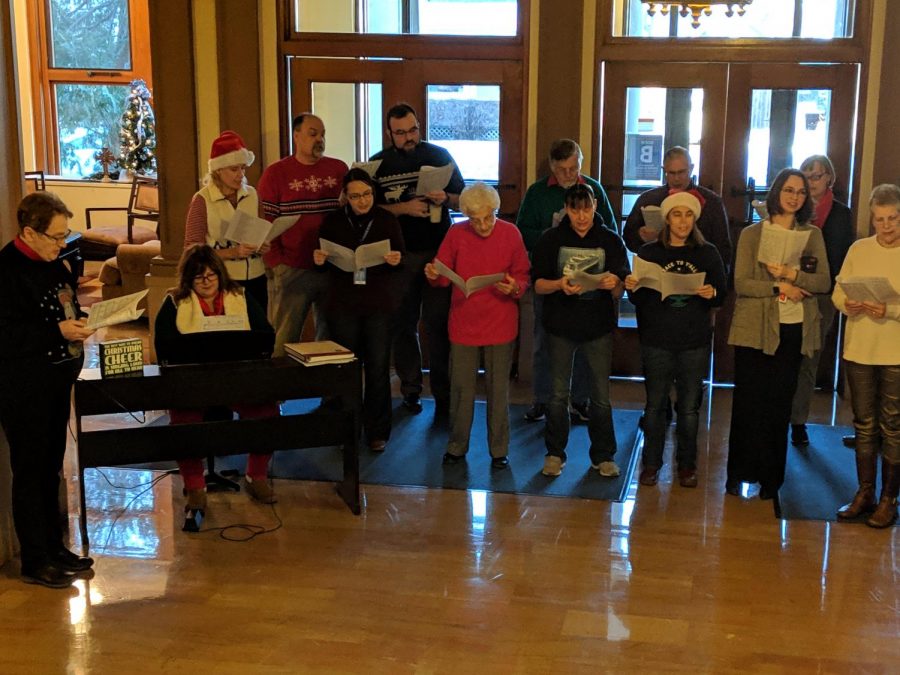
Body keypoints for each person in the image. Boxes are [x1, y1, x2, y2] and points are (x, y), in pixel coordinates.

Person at [0, 192, 95, 588]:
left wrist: (82, 319)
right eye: (56, 237)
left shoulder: (54, 264)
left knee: (52, 468)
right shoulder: (6, 270)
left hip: (56, 380)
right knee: (31, 470)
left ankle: (55, 547)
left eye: (65, 235)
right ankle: (35, 558)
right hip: (23, 386)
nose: (62, 245)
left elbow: (65, 306)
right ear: (29, 232)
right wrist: (55, 331)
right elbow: (6, 334)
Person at [726, 168, 830, 514]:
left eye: (801, 192)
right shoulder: (753, 234)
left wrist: (791, 274)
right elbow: (741, 283)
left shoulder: (811, 234)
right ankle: (739, 473)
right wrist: (777, 287)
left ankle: (772, 478)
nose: (794, 197)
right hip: (756, 328)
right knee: (748, 404)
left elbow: (823, 282)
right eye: (789, 190)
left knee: (778, 406)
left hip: (793, 328)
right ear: (776, 193)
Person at [154, 245, 279, 519]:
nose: (207, 281)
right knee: (184, 422)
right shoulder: (174, 302)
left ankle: (256, 476)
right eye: (199, 277)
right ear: (188, 279)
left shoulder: (240, 297)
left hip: (237, 379)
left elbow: (264, 335)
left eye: (212, 275)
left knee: (267, 412)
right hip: (192, 383)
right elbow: (163, 349)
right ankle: (195, 485)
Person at [625, 192, 727, 488]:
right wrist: (633, 286)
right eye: (676, 215)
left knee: (688, 408)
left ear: (694, 219)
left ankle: (686, 465)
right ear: (667, 219)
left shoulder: (707, 253)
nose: (682, 221)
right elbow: (637, 298)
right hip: (656, 339)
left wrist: (711, 294)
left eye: (687, 215)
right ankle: (651, 464)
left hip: (693, 341)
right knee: (655, 406)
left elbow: (721, 293)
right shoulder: (649, 252)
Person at [425, 183, 530, 468]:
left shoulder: (511, 233)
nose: (483, 225)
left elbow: (523, 274)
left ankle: (499, 450)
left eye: (488, 217)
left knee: (498, 390)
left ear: (496, 211)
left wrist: (515, 287)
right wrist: (434, 273)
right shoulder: (456, 233)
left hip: (501, 320)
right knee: (461, 388)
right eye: (475, 219)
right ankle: (457, 446)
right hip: (464, 320)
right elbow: (442, 273)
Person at [370, 102, 465, 416]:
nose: (409, 137)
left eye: (413, 129)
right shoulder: (377, 164)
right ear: (389, 133)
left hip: (439, 252)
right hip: (398, 256)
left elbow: (464, 200)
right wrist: (404, 209)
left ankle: (444, 394)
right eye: (401, 133)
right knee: (402, 324)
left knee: (438, 324)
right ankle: (410, 390)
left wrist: (446, 198)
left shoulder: (438, 155)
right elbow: (367, 208)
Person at [531, 184, 630, 478]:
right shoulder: (551, 239)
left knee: (600, 395)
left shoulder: (610, 241)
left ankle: (603, 455)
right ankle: (554, 453)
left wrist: (614, 285)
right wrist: (560, 285)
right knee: (558, 393)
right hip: (560, 324)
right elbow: (537, 284)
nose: (582, 216)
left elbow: (621, 288)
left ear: (595, 206)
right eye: (575, 210)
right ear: (566, 209)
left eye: (586, 209)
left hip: (598, 326)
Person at [516, 138, 617, 424]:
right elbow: (522, 233)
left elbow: (610, 230)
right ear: (551, 167)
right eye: (563, 170)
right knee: (543, 340)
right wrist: (553, 232)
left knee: (587, 342)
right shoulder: (537, 193)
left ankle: (581, 401)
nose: (569, 175)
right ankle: (543, 400)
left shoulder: (593, 189)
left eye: (574, 168)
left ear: (581, 164)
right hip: (550, 276)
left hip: (588, 276)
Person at [314, 168, 405, 452]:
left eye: (367, 194)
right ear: (346, 197)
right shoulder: (333, 221)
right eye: (355, 196)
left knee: (378, 368)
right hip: (344, 303)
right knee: (347, 368)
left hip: (378, 302)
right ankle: (347, 428)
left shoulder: (386, 219)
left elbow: (401, 258)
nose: (363, 201)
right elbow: (324, 262)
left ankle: (377, 431)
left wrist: (394, 259)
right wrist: (319, 259)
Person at [832, 184, 900, 528]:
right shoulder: (859, 249)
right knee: (864, 423)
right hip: (860, 347)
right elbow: (837, 292)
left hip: (895, 351)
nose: (886, 226)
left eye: (892, 219)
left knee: (893, 425)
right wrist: (849, 303)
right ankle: (865, 492)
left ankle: (889, 499)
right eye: (879, 219)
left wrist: (887, 309)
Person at [258, 113, 348, 356]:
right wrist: (277, 263)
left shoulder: (338, 169)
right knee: (283, 338)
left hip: (332, 267)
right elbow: (266, 223)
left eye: (322, 134)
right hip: (291, 268)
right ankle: (277, 393)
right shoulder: (276, 174)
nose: (319, 139)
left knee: (330, 338)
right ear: (296, 136)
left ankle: (328, 393)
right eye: (313, 133)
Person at [789, 155, 855, 447]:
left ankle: (798, 421)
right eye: (806, 175)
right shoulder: (792, 209)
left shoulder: (841, 214)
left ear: (830, 178)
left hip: (822, 296)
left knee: (808, 360)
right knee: (784, 357)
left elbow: (840, 257)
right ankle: (778, 414)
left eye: (816, 176)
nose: (811, 181)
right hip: (789, 291)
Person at [184, 130, 269, 312]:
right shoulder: (202, 199)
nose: (240, 174)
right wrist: (233, 252)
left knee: (256, 332)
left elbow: (261, 231)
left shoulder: (252, 194)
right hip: (221, 280)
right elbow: (192, 250)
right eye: (234, 169)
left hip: (256, 278)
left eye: (243, 168)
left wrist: (263, 245)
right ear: (218, 170)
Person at [623, 146, 732, 270]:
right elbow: (628, 238)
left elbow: (723, 248)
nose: (676, 178)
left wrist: (716, 284)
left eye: (681, 172)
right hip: (658, 269)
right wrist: (641, 236)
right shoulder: (648, 199)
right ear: (664, 171)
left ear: (691, 169)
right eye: (671, 173)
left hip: (699, 270)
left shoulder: (711, 202)